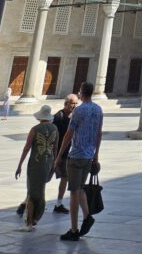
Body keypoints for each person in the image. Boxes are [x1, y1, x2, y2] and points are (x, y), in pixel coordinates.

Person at [54, 80, 103, 241]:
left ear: (82, 93)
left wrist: (60, 154)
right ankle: (87, 217)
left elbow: (69, 133)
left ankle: (74, 230)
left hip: (75, 155)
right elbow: (99, 134)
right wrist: (96, 156)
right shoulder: (98, 109)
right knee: (80, 188)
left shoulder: (79, 110)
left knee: (74, 192)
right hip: (89, 156)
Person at [14, 105, 59, 231]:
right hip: (47, 163)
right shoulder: (55, 128)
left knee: (32, 192)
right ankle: (32, 219)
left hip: (35, 164)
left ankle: (30, 222)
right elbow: (55, 149)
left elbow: (27, 148)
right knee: (39, 190)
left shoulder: (35, 129)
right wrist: (54, 165)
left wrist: (19, 165)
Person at [51, 94, 78, 215]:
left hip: (67, 154)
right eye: (73, 103)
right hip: (56, 154)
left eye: (76, 103)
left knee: (64, 178)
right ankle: (26, 202)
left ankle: (58, 204)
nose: (75, 106)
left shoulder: (74, 117)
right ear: (66, 104)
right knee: (44, 178)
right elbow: (54, 137)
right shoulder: (58, 117)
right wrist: (56, 155)